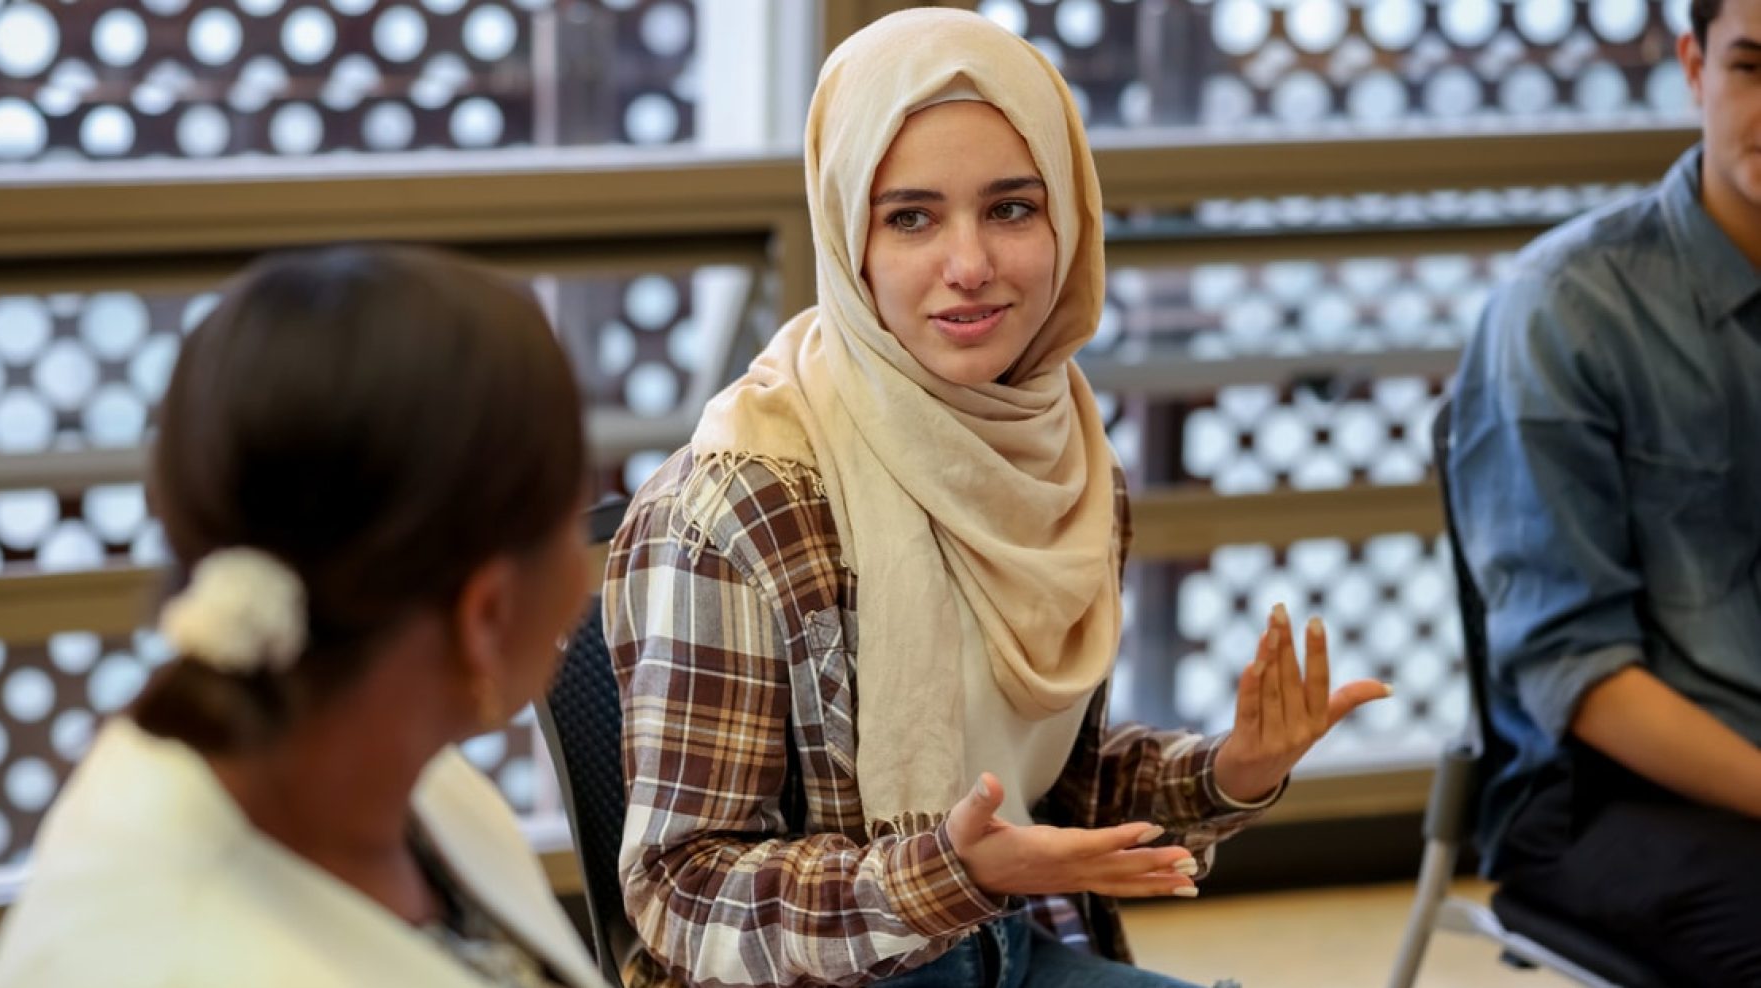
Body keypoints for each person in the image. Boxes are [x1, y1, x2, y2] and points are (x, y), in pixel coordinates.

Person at [601, 10, 1389, 988]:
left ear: (1069, 218)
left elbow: (1055, 790)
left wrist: (1232, 769)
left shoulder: (1061, 456)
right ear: (848, 235)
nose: (968, 264)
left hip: (1009, 945)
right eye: (911, 217)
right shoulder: (743, 501)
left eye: (1012, 208)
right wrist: (949, 873)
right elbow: (682, 891)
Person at [0, 245, 609, 988]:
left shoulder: (396, 785)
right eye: (572, 527)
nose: (581, 577)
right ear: (487, 614)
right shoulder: (174, 954)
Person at [1445, 0, 1761, 983]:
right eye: (1753, 66)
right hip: (1602, 795)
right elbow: (1575, 677)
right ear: (1692, 69)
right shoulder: (1566, 309)